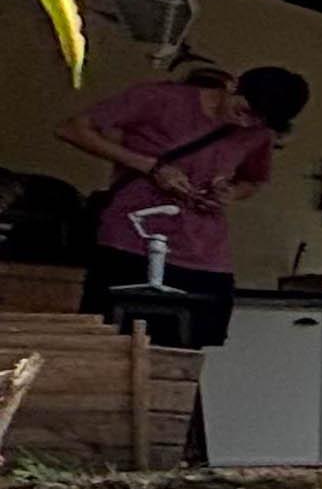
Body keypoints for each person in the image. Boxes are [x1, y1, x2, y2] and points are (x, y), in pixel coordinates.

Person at [56, 64, 306, 348]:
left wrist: (229, 192)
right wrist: (151, 166)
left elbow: (253, 180)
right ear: (233, 86)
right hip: (132, 241)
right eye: (243, 111)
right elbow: (72, 129)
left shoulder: (259, 132)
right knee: (112, 343)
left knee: (188, 351)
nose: (246, 124)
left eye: (258, 121)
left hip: (203, 254)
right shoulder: (159, 99)